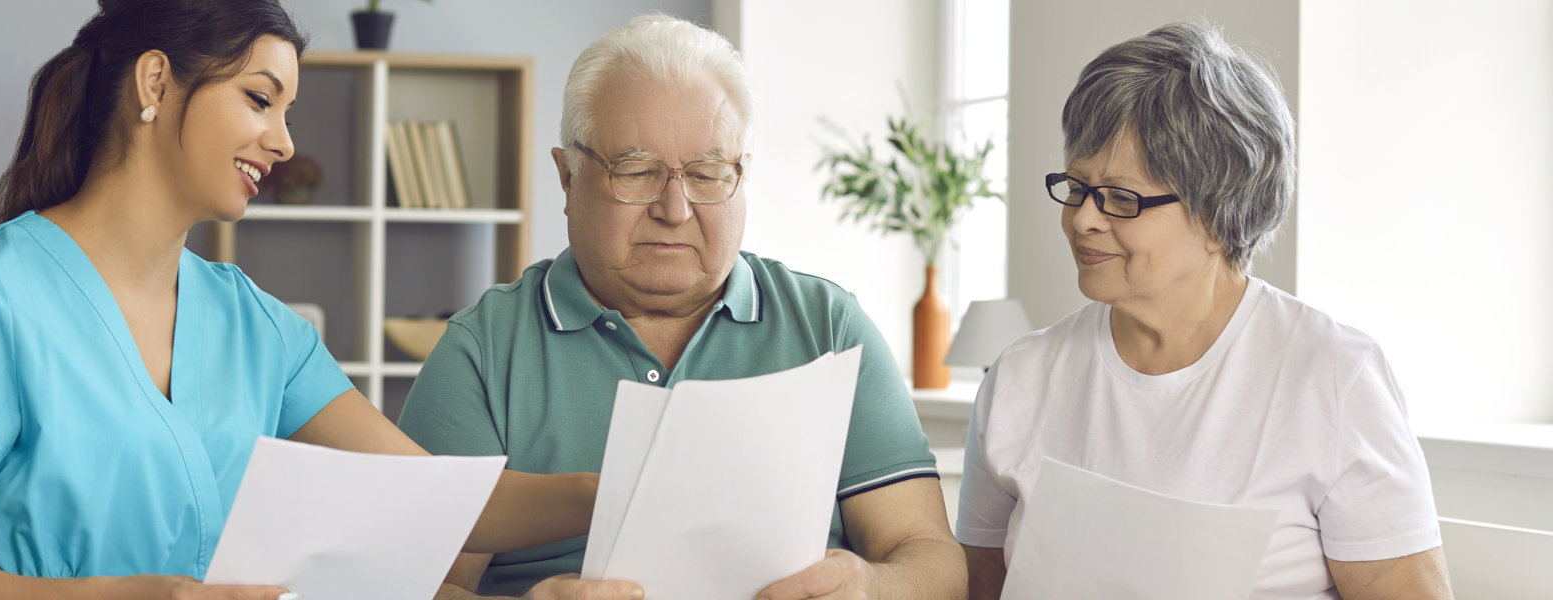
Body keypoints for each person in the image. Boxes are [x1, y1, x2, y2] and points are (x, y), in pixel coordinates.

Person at [0, 2, 596, 598]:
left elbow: (431, 498)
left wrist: (606, 493)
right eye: (259, 99)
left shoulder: (258, 326)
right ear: (155, 84)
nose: (282, 143)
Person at [398, 14, 965, 600]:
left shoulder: (828, 325)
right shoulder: (483, 350)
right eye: (637, 171)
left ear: (743, 178)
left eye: (708, 173)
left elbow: (931, 559)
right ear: (567, 177)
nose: (675, 207)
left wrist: (872, 587)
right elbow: (408, 583)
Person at [955, 22, 1450, 600]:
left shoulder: (1334, 376)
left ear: (1219, 215)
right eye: (1077, 185)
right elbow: (978, 583)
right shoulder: (1019, 376)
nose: (1084, 218)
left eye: (1121, 197)